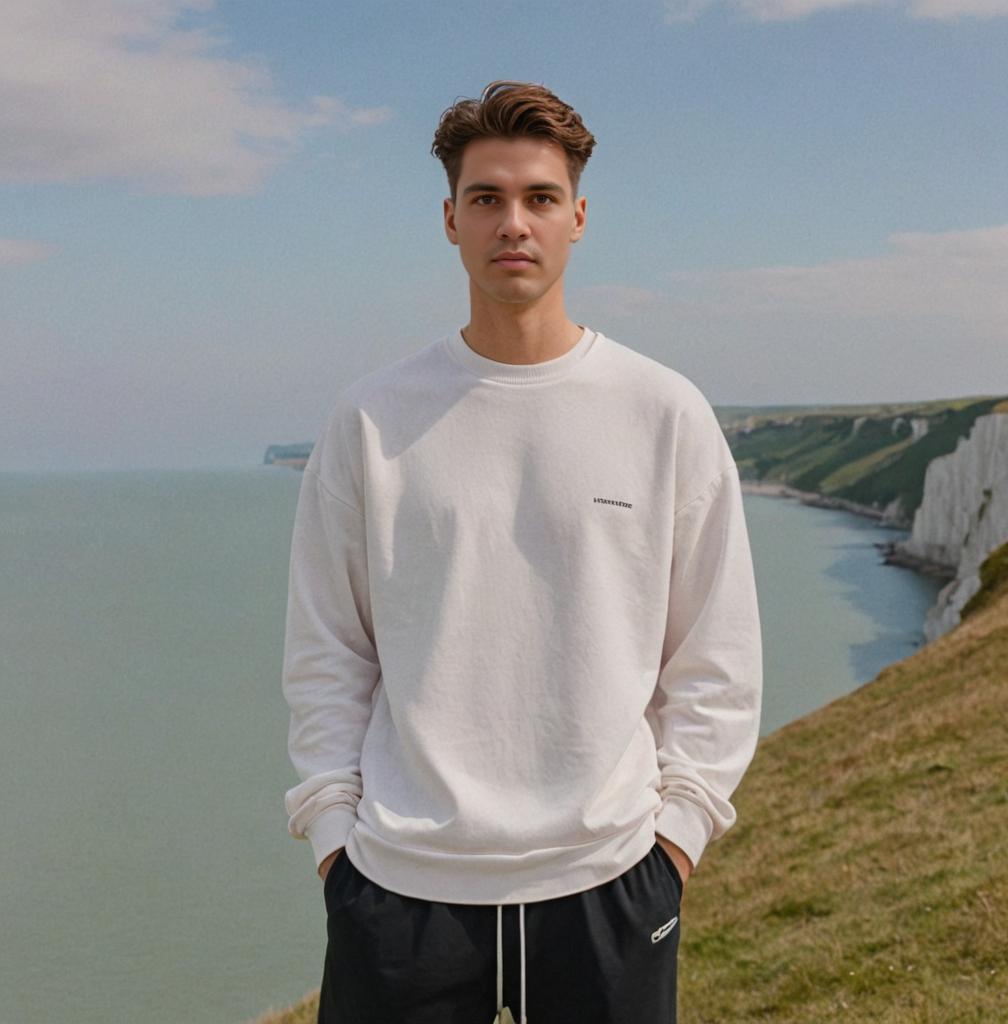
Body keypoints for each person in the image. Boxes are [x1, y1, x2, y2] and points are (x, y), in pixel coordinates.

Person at [281, 79, 763, 1024]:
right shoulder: (371, 419)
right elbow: (327, 648)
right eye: (487, 199)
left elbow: (715, 654)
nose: (515, 223)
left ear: (577, 217)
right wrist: (335, 839)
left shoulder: (663, 411)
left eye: (540, 198)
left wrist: (676, 840)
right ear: (450, 221)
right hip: (398, 887)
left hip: (613, 881)